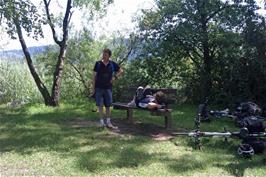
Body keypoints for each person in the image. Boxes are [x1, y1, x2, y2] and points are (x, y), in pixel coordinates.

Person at [92, 48, 123, 128]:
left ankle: (108, 122)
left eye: (105, 55)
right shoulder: (98, 63)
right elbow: (94, 76)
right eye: (103, 54)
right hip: (99, 87)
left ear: (109, 56)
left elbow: (121, 71)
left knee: (108, 106)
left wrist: (115, 77)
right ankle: (101, 122)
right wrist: (93, 88)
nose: (103, 56)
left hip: (108, 88)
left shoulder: (112, 64)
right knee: (100, 106)